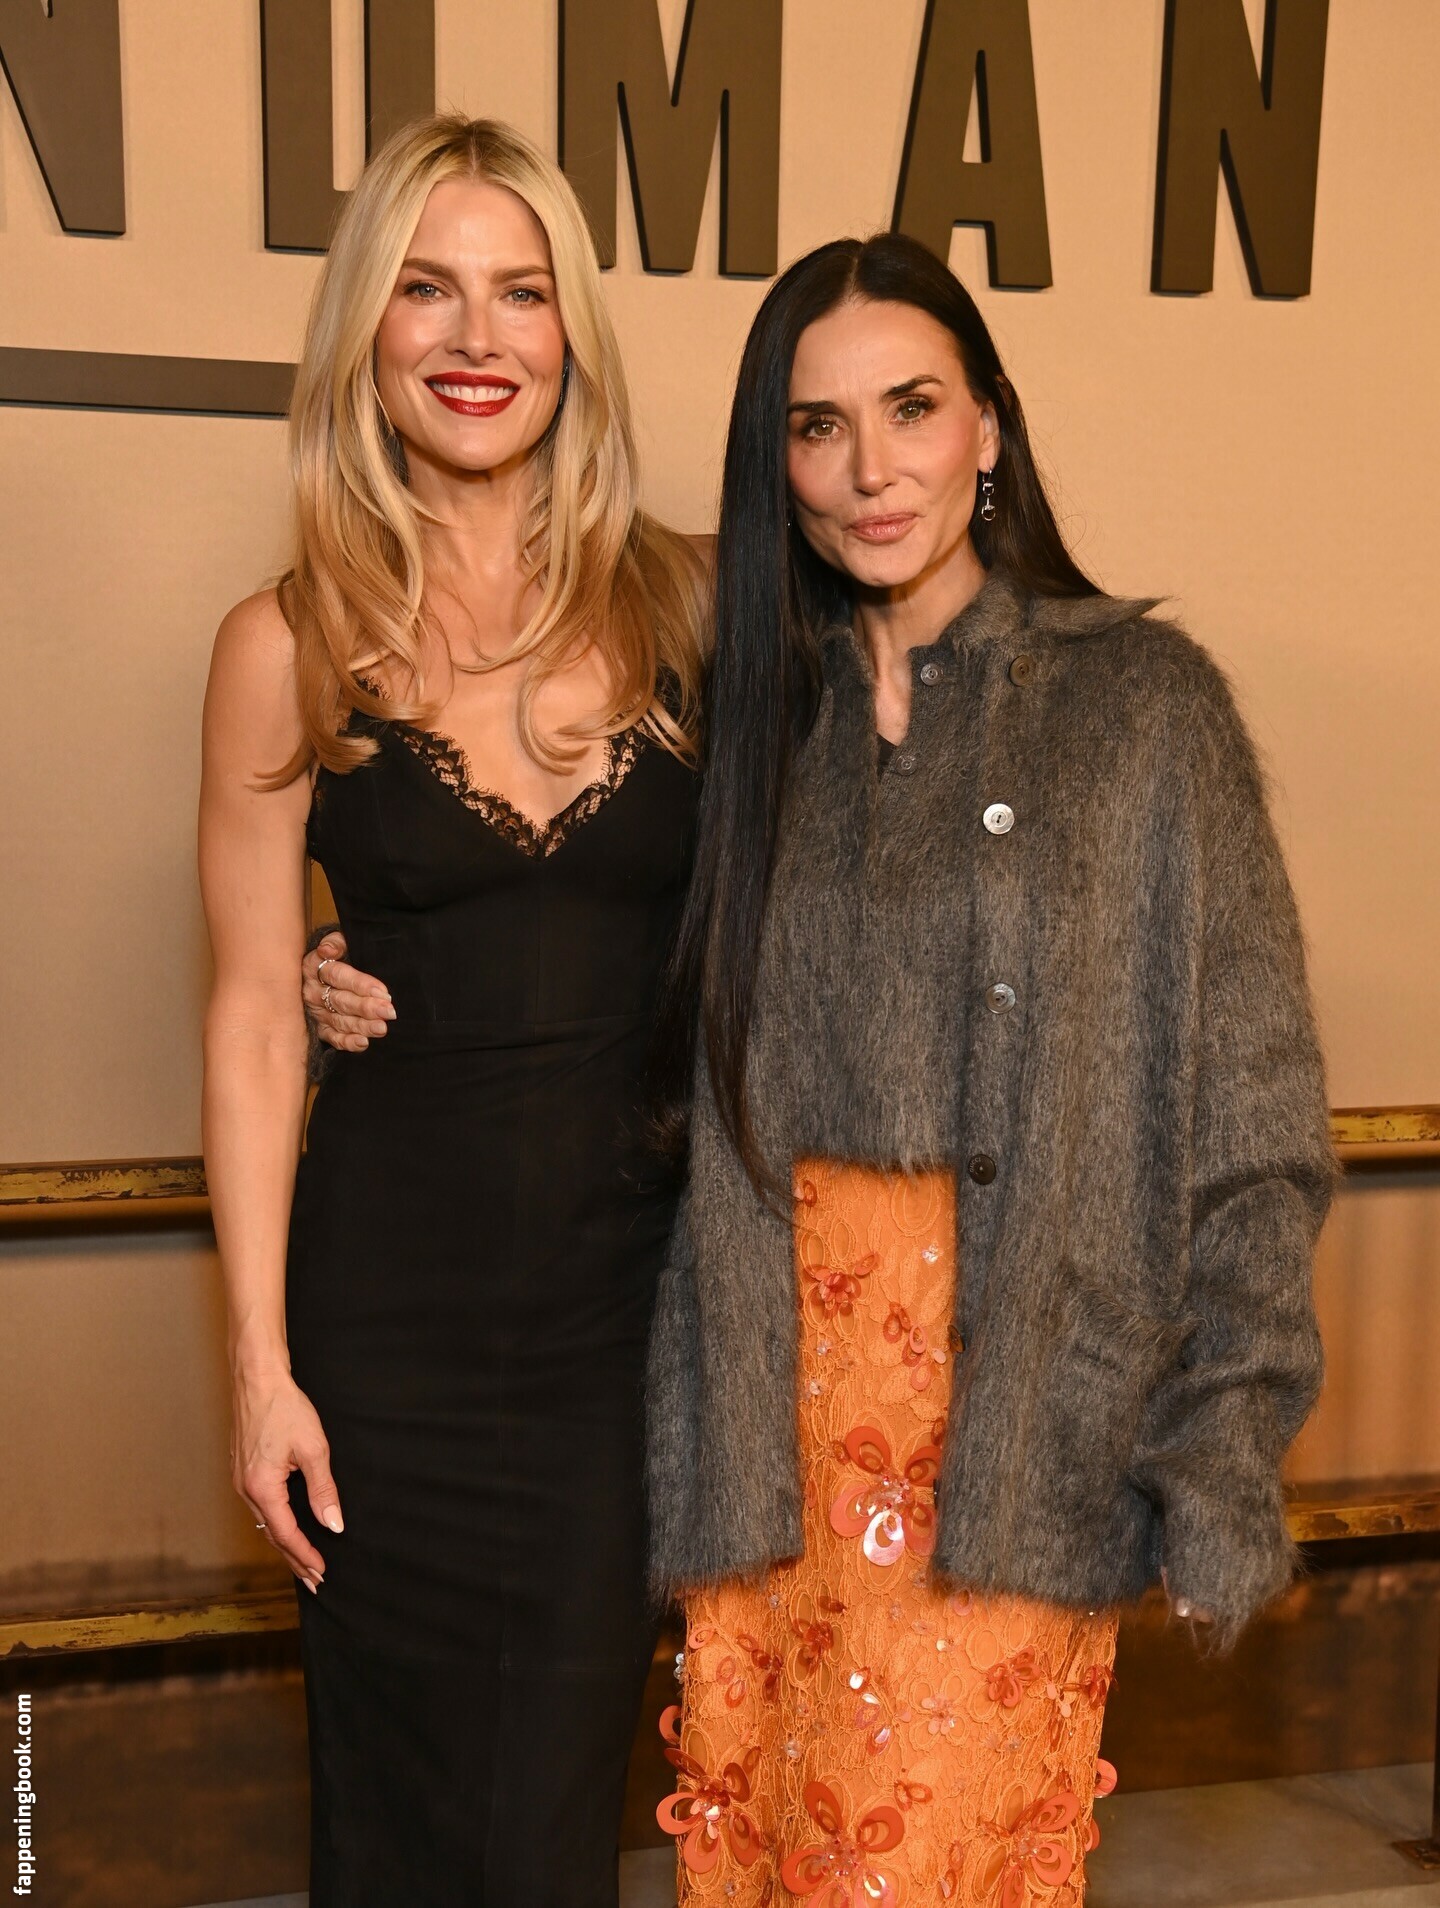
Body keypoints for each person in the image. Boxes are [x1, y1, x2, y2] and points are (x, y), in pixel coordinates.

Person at [636, 234, 1337, 1904]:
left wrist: (1224, 1445)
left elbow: (1255, 1108)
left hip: (1017, 1422)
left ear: (990, 427)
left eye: (913, 408)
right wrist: (351, 969)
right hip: (769, 1420)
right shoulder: (746, 716)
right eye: (817, 428)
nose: (870, 470)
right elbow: (590, 969)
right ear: (776, 465)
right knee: (774, 1862)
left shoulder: (1145, 711)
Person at [198, 115, 704, 1906]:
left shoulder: (694, 607)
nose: (477, 337)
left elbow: (813, 918)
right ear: (368, 329)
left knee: (552, 1817)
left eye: (521, 292)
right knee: (398, 1815)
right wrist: (261, 1374)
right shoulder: (285, 643)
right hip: (386, 1324)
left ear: (572, 337)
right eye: (427, 289)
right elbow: (253, 1020)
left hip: (625, 1322)